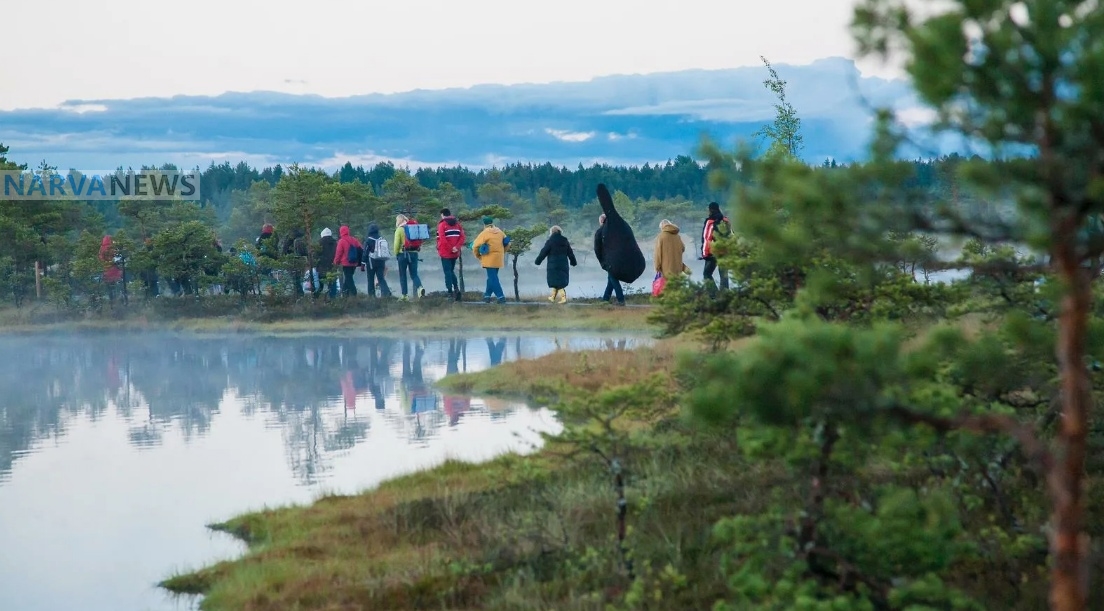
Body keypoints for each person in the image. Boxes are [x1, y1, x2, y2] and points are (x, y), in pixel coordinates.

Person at [534, 225, 577, 303]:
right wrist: (573, 262)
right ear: (560, 232)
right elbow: (570, 253)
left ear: (551, 232)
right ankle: (552, 297)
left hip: (553, 265)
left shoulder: (550, 241)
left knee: (556, 282)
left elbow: (543, 252)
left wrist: (538, 261)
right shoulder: (565, 240)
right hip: (563, 264)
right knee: (558, 281)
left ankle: (563, 298)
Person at [472, 215, 508, 304]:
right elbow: (507, 243)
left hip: (489, 259)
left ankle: (501, 297)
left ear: (484, 224)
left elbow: (475, 246)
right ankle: (487, 296)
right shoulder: (500, 232)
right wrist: (502, 252)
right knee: (491, 278)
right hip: (498, 258)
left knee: (493, 278)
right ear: (492, 223)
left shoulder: (484, 233)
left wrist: (478, 256)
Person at [594, 214, 625, 306]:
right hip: (618, 258)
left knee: (613, 279)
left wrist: (602, 261)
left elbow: (597, 249)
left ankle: (621, 300)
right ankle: (605, 299)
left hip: (608, 259)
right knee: (611, 279)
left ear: (601, 221)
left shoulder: (600, 232)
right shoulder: (616, 231)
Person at [393, 214, 425, 300]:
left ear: (398, 221)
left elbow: (396, 245)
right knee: (414, 274)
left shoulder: (399, 229)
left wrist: (396, 253)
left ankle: (404, 295)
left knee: (403, 275)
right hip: (414, 253)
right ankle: (420, 288)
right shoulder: (412, 228)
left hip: (402, 254)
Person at [436, 208, 465, 301]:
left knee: (447, 272)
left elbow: (442, 239)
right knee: (451, 271)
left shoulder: (442, 225)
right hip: (455, 253)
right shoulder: (458, 224)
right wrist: (457, 247)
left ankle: (450, 292)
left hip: (445, 252)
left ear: (443, 215)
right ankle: (456, 289)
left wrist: (450, 248)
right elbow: (462, 237)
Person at [701, 202, 731, 290]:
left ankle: (713, 294)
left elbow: (707, 238)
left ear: (710, 209)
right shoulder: (725, 221)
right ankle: (725, 295)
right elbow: (731, 236)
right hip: (725, 251)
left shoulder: (710, 222)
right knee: (724, 274)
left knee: (707, 274)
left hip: (712, 253)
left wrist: (705, 254)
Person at [363, 223, 393, 297]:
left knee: (370, 279)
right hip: (381, 261)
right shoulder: (381, 238)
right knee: (381, 278)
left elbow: (365, 253)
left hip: (371, 262)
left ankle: (372, 296)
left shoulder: (369, 240)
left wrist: (363, 263)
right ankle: (386, 293)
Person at [333, 225, 363, 297]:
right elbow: (360, 249)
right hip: (354, 263)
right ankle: (345, 294)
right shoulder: (354, 239)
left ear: (341, 232)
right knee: (348, 278)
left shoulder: (341, 241)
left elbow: (339, 253)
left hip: (346, 263)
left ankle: (354, 293)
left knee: (349, 279)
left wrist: (335, 262)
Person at [99, 235, 123, 302]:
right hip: (115, 270)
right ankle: (118, 299)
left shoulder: (102, 248)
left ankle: (111, 300)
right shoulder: (114, 247)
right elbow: (118, 257)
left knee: (109, 287)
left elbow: (100, 258)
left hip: (106, 270)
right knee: (116, 285)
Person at [316, 227, 338, 298]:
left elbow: (315, 255)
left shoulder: (319, 243)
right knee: (332, 284)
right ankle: (333, 299)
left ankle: (316, 298)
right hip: (332, 266)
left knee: (319, 285)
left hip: (321, 267)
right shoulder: (335, 243)